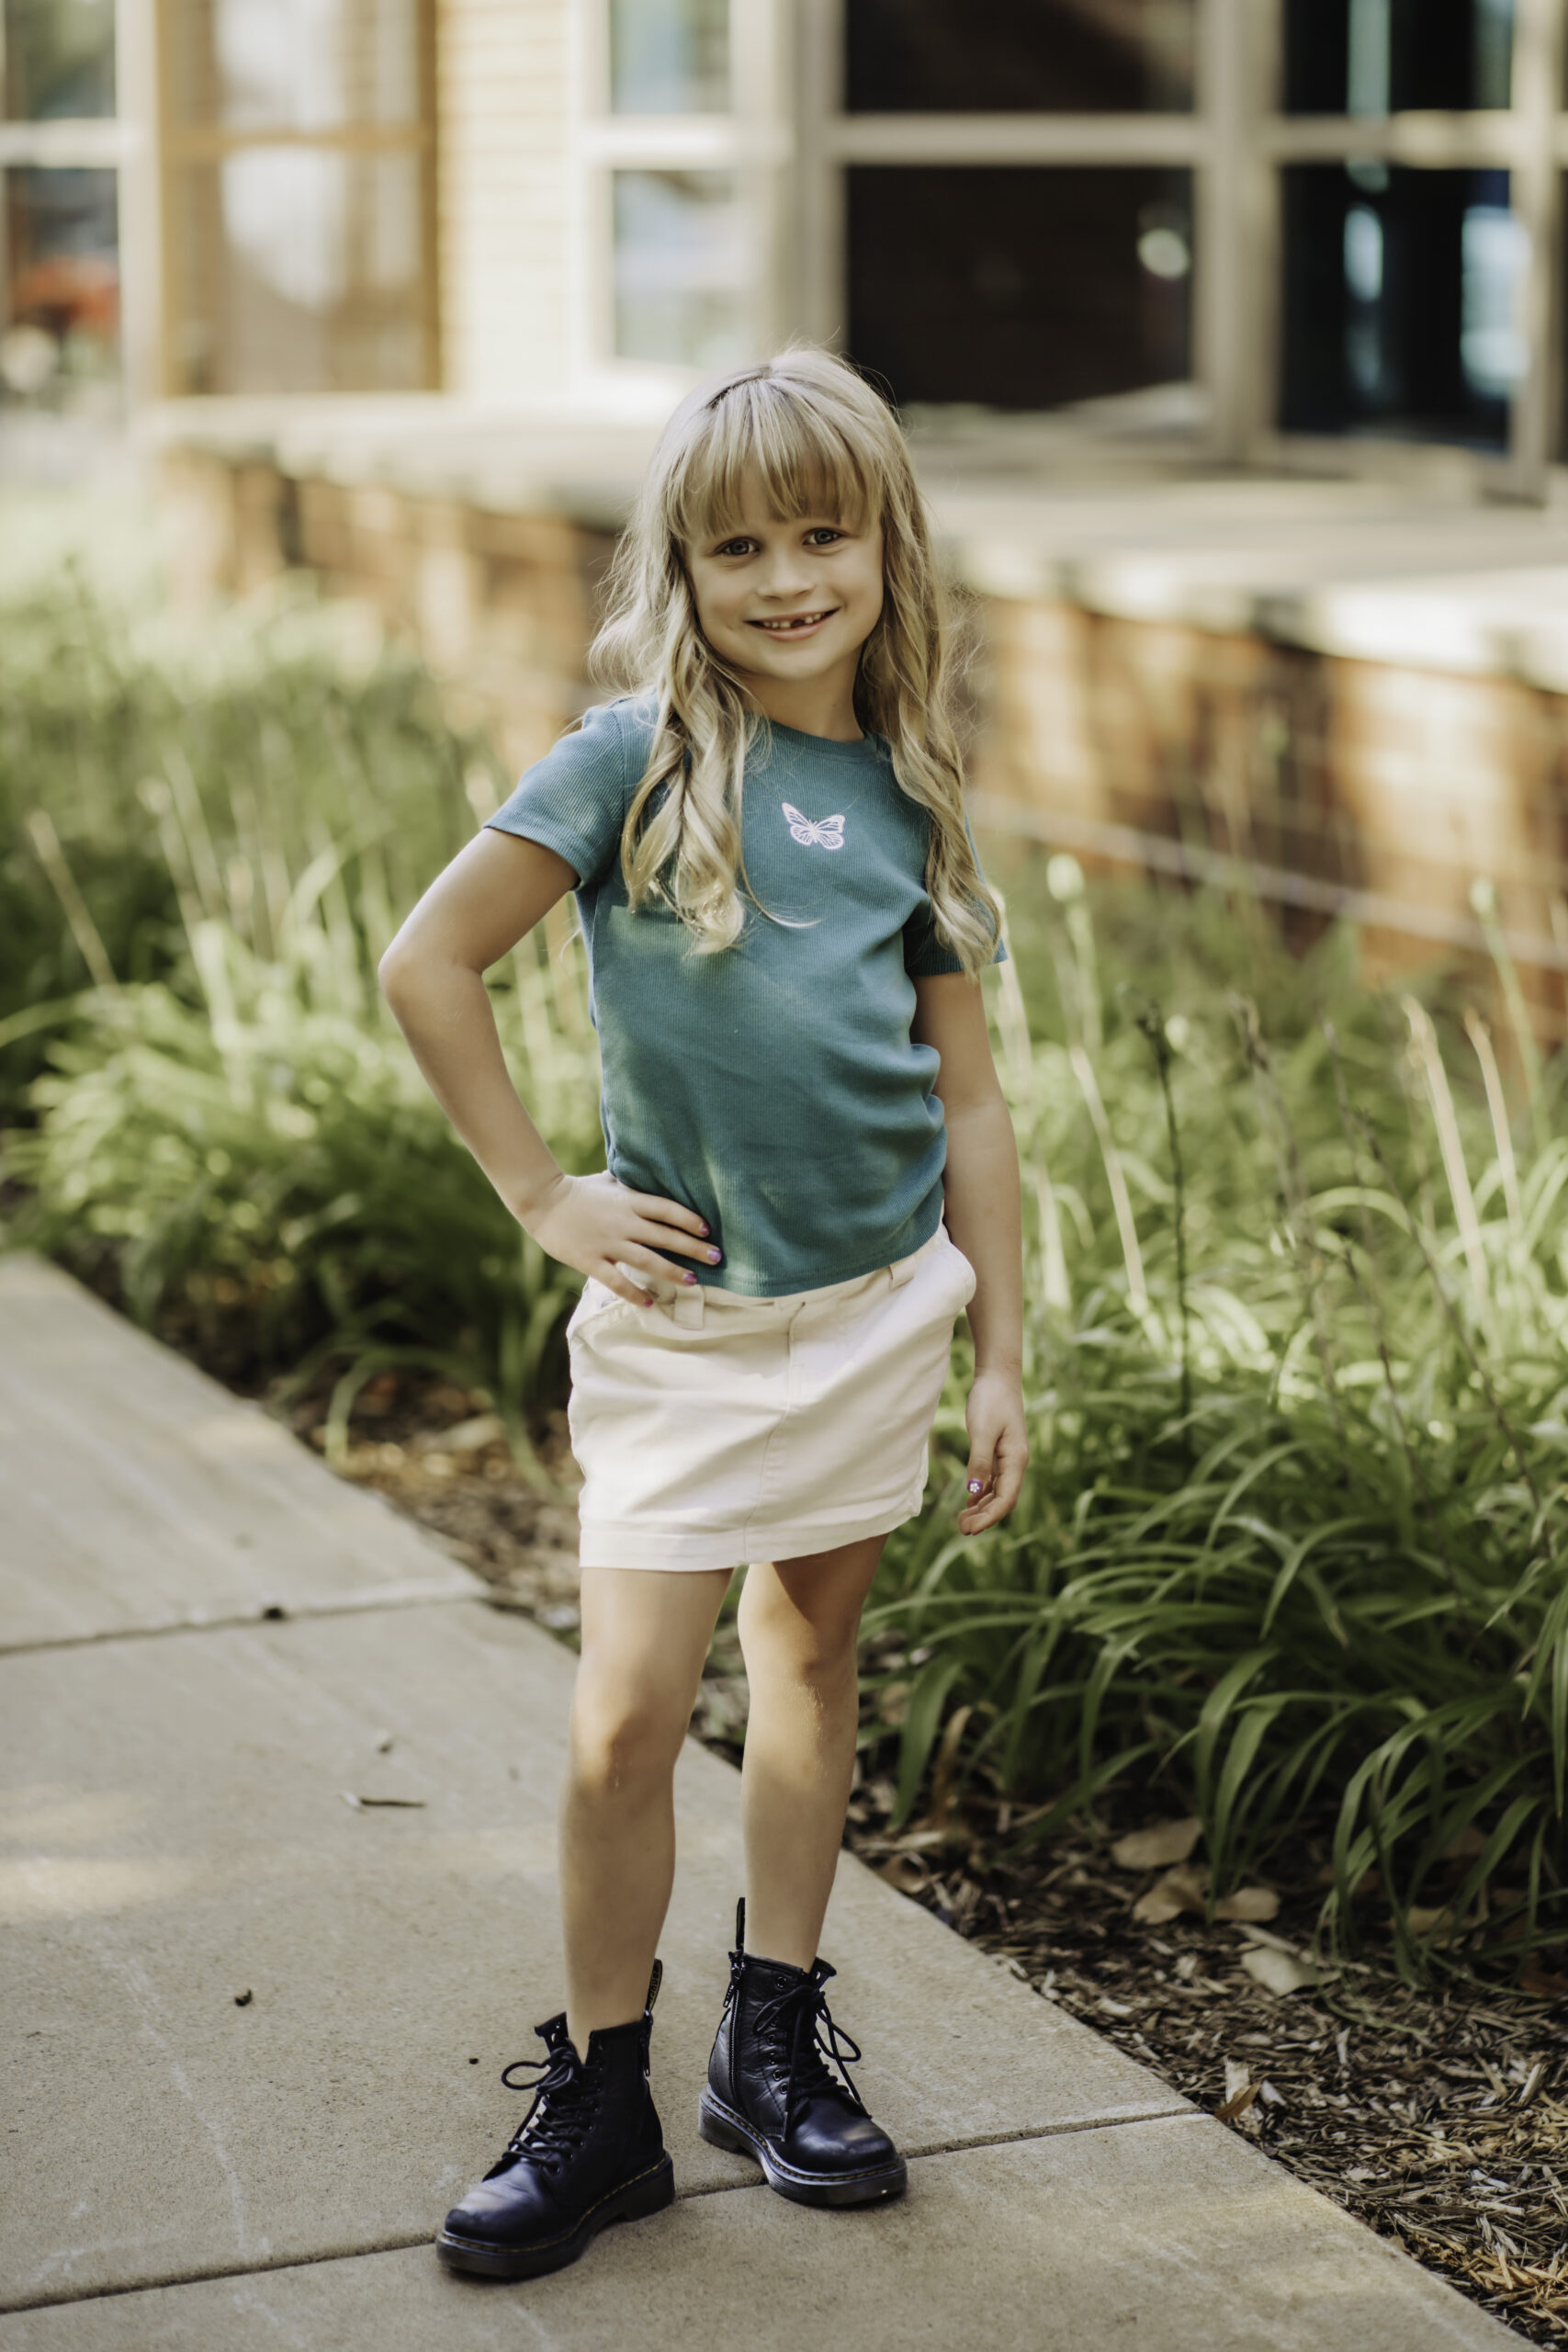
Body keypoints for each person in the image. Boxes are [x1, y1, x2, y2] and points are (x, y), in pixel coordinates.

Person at [379, 346, 1028, 2281]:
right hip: (683, 1333)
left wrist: (1001, 1348)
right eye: (736, 546)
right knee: (623, 1721)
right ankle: (600, 2099)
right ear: (681, 569)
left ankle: (771, 2036)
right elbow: (427, 963)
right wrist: (540, 1192)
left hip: (874, 1313)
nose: (784, 577)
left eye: (821, 535)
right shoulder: (628, 761)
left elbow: (971, 1102)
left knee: (810, 1666)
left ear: (885, 550)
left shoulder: (912, 797)